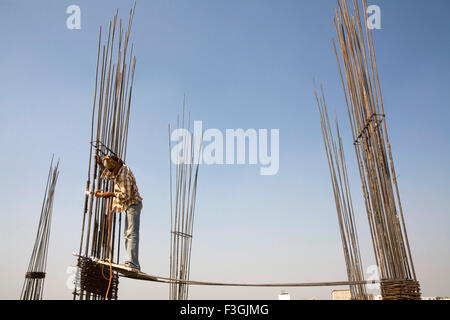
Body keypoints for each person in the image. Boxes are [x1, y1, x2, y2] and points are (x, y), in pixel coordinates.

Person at [94, 154, 143, 271]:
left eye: (114, 170)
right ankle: (131, 262)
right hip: (130, 206)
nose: (113, 174)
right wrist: (100, 164)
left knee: (131, 233)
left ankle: (133, 264)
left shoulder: (124, 174)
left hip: (133, 204)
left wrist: (110, 194)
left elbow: (126, 195)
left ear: (118, 164)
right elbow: (110, 175)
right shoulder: (119, 170)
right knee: (128, 234)